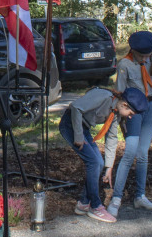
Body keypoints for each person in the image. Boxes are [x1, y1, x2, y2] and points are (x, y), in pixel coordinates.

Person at [61, 87, 147, 223]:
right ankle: (95, 206)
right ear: (124, 104)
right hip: (70, 124)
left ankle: (83, 203)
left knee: (99, 163)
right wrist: (78, 135)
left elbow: (112, 138)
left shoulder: (116, 112)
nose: (130, 116)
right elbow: (76, 108)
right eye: (130, 113)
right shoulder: (103, 96)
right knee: (94, 162)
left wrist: (109, 167)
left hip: (84, 128)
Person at [103, 31, 152, 217]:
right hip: (133, 111)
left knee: (143, 153)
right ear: (133, 50)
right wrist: (121, 119)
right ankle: (117, 197)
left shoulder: (151, 61)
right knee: (130, 152)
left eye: (148, 54)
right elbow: (119, 93)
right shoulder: (125, 64)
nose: (145, 58)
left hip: (150, 107)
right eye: (141, 55)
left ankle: (140, 196)